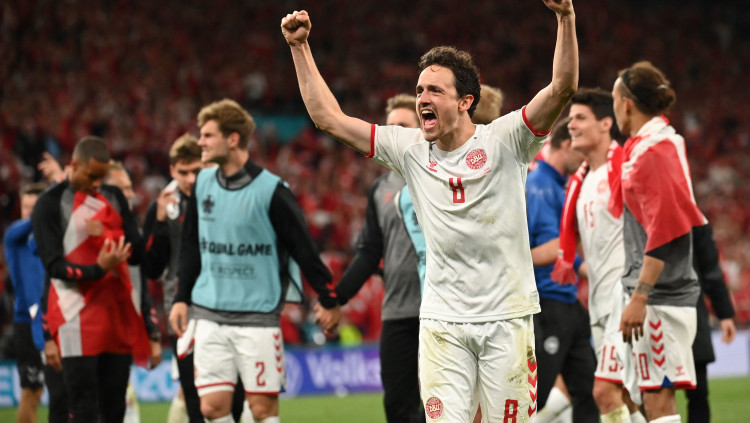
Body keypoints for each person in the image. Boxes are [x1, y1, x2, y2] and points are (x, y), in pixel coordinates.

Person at [281, 0, 578, 420]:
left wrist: (565, 17)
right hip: (442, 323)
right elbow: (328, 118)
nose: (422, 97)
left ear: (465, 101)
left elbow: (562, 87)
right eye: (420, 89)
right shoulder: (410, 150)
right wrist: (299, 47)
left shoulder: (506, 140)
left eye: (435, 90)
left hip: (506, 319)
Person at [168, 99, 340, 423]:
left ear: (233, 139)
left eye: (207, 135)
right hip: (209, 314)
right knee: (211, 408)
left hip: (257, 318)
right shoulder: (202, 184)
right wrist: (181, 298)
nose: (200, 142)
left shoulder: (271, 190)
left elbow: (303, 248)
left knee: (261, 411)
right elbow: (191, 244)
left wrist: (328, 298)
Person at [31, 136, 155, 422]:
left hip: (115, 314)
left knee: (115, 408)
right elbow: (54, 266)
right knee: (83, 406)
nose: (97, 184)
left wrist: (115, 235)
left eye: (102, 176)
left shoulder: (115, 197)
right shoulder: (49, 204)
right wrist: (99, 269)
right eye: (91, 176)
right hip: (74, 316)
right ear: (74, 165)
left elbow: (136, 254)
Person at [613, 61, 706, 423]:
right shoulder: (645, 148)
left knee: (658, 399)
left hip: (660, 297)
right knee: (638, 395)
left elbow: (665, 228)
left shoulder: (656, 151)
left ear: (626, 104)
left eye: (615, 98)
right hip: (653, 294)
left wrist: (640, 296)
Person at [552, 88, 646, 423]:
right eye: (570, 118)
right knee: (627, 395)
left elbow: (649, 232)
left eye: (580, 118)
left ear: (606, 123)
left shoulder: (625, 170)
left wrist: (642, 293)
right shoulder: (580, 181)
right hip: (599, 300)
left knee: (604, 393)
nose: (571, 125)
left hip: (626, 298)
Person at [330, 93, 424, 423]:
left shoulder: (442, 174)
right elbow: (370, 252)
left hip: (442, 310)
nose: (395, 133)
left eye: (403, 126)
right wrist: (335, 298)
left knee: (444, 407)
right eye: (390, 127)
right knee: (397, 409)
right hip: (397, 310)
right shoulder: (381, 188)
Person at [142, 134, 247, 423]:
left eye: (196, 171)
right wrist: (160, 222)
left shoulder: (225, 197)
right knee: (192, 395)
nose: (190, 179)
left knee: (235, 396)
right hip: (182, 310)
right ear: (172, 170)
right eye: (183, 172)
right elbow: (151, 269)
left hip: (227, 305)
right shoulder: (162, 207)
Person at [525, 118, 598, 423]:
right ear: (566, 145)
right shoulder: (538, 186)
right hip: (547, 302)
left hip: (567, 301)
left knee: (590, 389)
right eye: (581, 151)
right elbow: (551, 250)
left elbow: (562, 250)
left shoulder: (557, 185)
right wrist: (588, 267)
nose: (585, 160)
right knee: (536, 394)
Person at [4, 183, 67, 423]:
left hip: (55, 320)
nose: (30, 212)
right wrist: (54, 192)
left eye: (35, 206)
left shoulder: (51, 237)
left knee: (61, 391)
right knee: (32, 392)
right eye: (26, 207)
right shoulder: (14, 236)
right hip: (26, 323)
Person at [686, 222, 736, 423]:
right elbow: (711, 270)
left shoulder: (695, 219)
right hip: (685, 313)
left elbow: (711, 269)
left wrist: (724, 313)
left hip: (690, 314)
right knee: (696, 394)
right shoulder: (694, 217)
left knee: (697, 392)